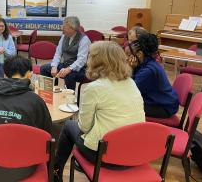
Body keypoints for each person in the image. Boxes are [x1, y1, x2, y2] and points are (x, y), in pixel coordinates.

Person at [53, 41, 145, 181]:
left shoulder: (94, 88)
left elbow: (84, 127)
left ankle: (55, 172)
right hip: (133, 153)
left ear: (97, 61)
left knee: (68, 126)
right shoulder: (131, 82)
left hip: (104, 155)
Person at [0, 55, 52, 181]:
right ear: (29, 74)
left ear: (5, 73)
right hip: (25, 168)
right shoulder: (35, 100)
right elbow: (48, 135)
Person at [128, 33, 179, 118]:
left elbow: (131, 91)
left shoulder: (148, 71)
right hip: (165, 103)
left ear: (140, 54)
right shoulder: (150, 63)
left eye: (132, 54)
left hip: (164, 107)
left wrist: (130, 69)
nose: (131, 57)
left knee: (126, 106)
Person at [40, 16, 91, 90]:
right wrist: (54, 66)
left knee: (69, 75)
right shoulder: (64, 36)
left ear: (72, 28)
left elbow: (81, 60)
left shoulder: (84, 39)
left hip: (81, 69)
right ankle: (49, 93)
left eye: (64, 26)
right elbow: (58, 53)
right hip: (65, 65)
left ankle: (70, 98)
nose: (62, 28)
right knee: (44, 68)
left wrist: (69, 69)